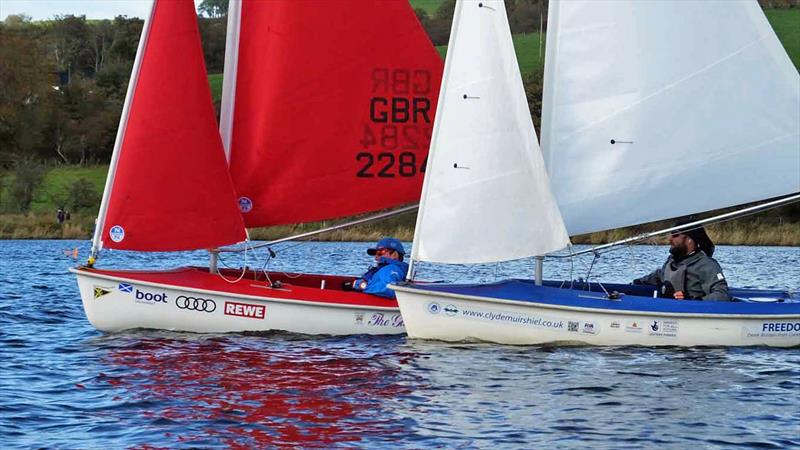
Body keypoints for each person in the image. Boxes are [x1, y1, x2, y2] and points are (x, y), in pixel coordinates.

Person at [633, 223, 730, 301]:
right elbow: (657, 276)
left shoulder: (707, 265)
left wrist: (694, 301)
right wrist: (633, 284)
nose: (670, 239)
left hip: (690, 316)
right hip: (667, 312)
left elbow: (722, 295)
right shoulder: (671, 261)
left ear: (689, 240)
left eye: (675, 235)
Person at [344, 237, 409, 299]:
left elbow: (389, 289)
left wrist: (360, 285)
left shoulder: (390, 269)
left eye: (380, 252)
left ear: (395, 254)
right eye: (376, 253)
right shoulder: (389, 269)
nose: (376, 257)